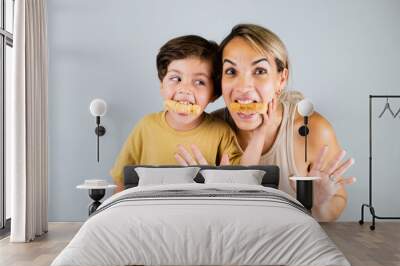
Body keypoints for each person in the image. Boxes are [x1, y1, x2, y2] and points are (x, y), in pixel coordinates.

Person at [176, 24, 356, 221]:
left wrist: (317, 203)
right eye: (231, 71)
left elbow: (334, 208)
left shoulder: (311, 131)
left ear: (281, 79)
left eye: (260, 70)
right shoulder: (207, 131)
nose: (243, 87)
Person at [110, 35, 261, 193]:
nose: (185, 89)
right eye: (176, 78)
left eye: (199, 82)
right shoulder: (145, 127)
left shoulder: (220, 132)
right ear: (162, 84)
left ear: (214, 94)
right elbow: (121, 181)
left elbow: (244, 176)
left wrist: (258, 135)